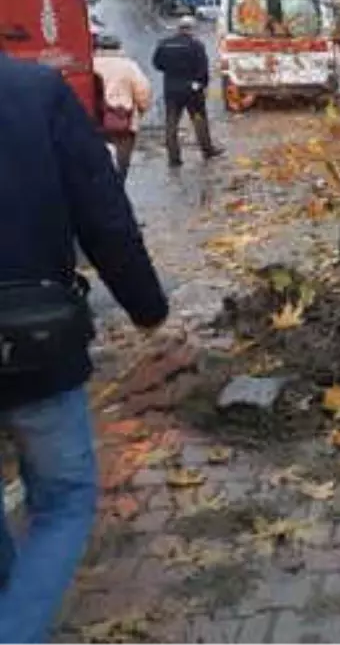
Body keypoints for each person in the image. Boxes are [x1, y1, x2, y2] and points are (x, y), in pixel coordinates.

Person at [0, 53, 168, 644]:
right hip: (33, 341)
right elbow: (104, 216)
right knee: (64, 502)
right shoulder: (33, 90)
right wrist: (146, 307)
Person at [152, 16, 224, 167]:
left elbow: (157, 64)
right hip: (192, 90)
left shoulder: (165, 44)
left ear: (179, 28)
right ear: (191, 29)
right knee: (198, 119)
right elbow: (203, 69)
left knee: (171, 123)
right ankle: (207, 150)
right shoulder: (196, 45)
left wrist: (170, 73)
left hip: (171, 89)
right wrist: (201, 85)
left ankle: (174, 158)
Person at [92, 33, 152, 181]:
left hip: (96, 119)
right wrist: (141, 109)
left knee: (97, 159)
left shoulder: (91, 63)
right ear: (119, 47)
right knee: (122, 161)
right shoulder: (128, 66)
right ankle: (119, 189)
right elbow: (143, 90)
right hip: (123, 118)